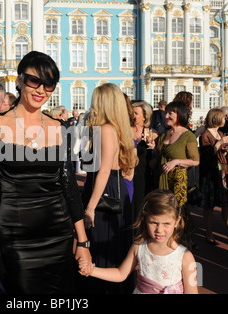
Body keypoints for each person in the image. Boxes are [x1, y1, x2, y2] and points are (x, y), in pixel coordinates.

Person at [0, 51, 92, 293]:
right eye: (35, 81)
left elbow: (69, 187)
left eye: (49, 84)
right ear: (20, 79)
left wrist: (82, 240)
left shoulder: (60, 127)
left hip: (58, 234)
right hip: (14, 237)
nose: (41, 90)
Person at [79, 189, 199, 294]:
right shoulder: (139, 247)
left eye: (166, 224)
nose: (159, 230)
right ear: (145, 219)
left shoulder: (186, 257)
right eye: (153, 222)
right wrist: (92, 270)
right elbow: (121, 274)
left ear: (177, 222)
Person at [81, 83, 138, 294]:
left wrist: (90, 208)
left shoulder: (105, 129)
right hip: (114, 191)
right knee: (112, 250)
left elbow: (104, 171)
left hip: (104, 194)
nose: (92, 105)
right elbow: (128, 172)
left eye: (95, 101)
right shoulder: (116, 129)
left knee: (102, 249)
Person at [153, 100, 199, 249]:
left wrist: (177, 161)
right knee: (163, 211)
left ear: (180, 114)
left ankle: (182, 242)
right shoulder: (164, 134)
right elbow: (157, 157)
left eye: (170, 113)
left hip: (178, 180)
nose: (166, 116)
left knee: (178, 211)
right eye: (166, 112)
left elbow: (195, 161)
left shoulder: (188, 136)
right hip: (162, 179)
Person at [199, 108, 228, 245]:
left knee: (227, 204)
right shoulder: (205, 134)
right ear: (216, 119)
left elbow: (220, 154)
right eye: (223, 117)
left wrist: (226, 150)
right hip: (210, 173)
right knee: (209, 205)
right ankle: (209, 233)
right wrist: (220, 143)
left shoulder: (220, 132)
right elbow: (207, 156)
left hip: (223, 170)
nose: (225, 119)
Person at [131, 100, 157, 220]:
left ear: (145, 117)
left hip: (143, 175)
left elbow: (157, 155)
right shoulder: (126, 131)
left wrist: (153, 146)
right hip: (127, 173)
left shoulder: (151, 133)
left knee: (140, 208)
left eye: (135, 113)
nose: (132, 115)